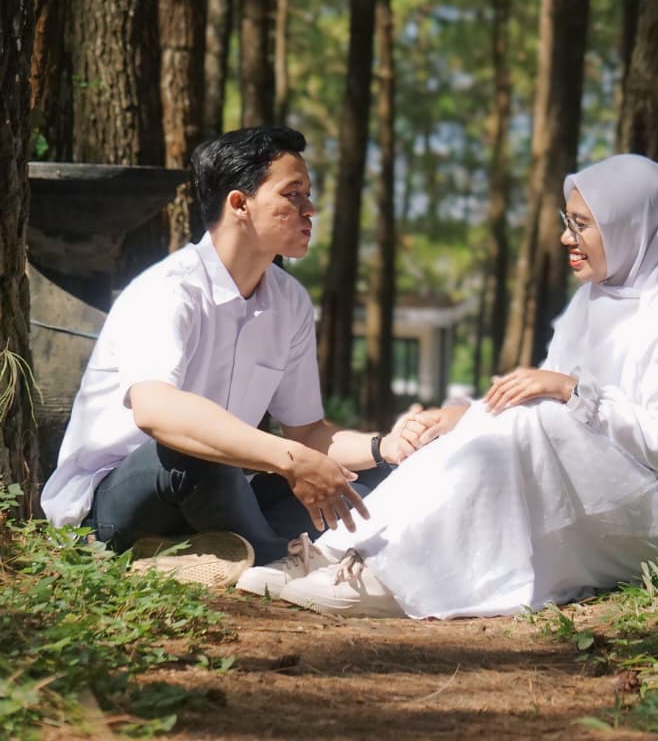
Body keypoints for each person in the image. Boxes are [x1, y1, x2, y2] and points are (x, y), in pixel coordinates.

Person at [241, 153, 658, 618]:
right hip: (613, 486)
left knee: (533, 418)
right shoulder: (597, 299)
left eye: (582, 225)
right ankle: (340, 550)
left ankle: (398, 578)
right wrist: (464, 418)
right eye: (567, 221)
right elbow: (558, 411)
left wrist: (570, 390)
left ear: (631, 227)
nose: (566, 238)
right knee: (487, 424)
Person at [40, 126, 414, 586]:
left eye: (309, 195)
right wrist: (289, 458)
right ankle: (281, 563)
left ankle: (202, 554)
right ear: (239, 204)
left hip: (225, 493)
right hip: (119, 503)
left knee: (365, 479)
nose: (310, 209)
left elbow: (308, 432)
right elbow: (156, 411)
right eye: (293, 194)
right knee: (195, 454)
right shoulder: (169, 290)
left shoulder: (290, 302)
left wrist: (384, 448)